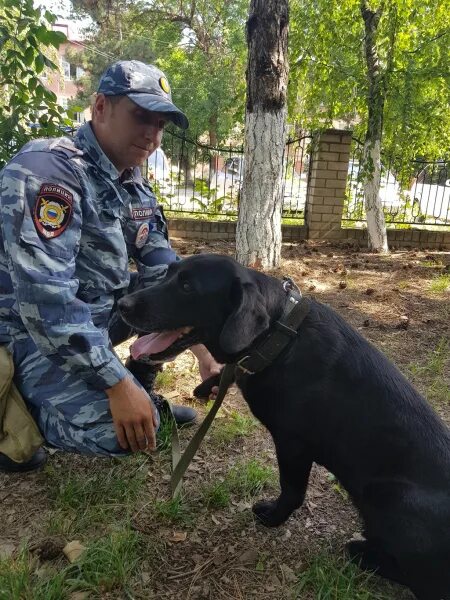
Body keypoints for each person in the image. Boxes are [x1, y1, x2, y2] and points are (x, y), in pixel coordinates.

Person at [0, 60, 220, 472]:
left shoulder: (133, 182)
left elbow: (164, 276)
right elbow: (46, 302)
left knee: (160, 299)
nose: (152, 134)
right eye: (141, 117)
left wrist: (204, 351)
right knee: (123, 433)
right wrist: (116, 384)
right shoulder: (48, 172)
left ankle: (141, 385)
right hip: (22, 329)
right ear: (100, 106)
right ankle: (13, 421)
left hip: (90, 313)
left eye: (161, 124)